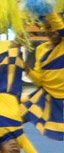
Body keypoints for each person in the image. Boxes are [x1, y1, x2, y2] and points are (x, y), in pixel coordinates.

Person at [23, 11, 63, 141]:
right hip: (46, 97)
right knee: (16, 116)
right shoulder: (41, 49)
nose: (52, 31)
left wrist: (47, 7)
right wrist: (25, 68)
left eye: (54, 27)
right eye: (47, 27)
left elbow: (59, 26)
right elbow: (39, 81)